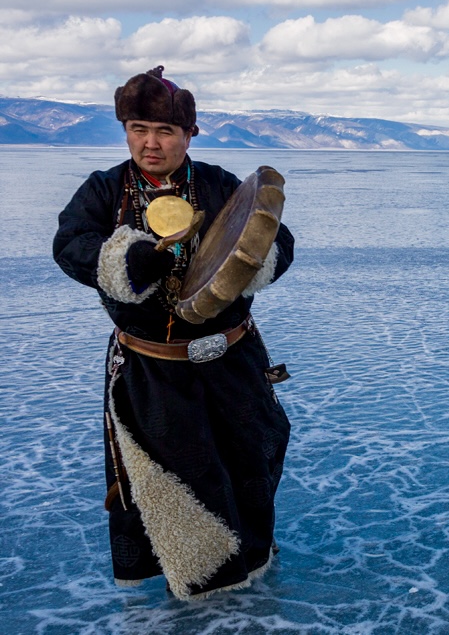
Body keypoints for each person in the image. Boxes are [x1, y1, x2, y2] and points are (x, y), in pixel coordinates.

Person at [53, 66, 294, 600]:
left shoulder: (220, 185)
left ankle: (253, 577)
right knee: (179, 480)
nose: (150, 142)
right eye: (139, 128)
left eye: (165, 132)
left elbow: (279, 241)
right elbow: (70, 244)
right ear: (126, 130)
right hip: (152, 367)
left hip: (233, 358)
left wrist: (245, 265)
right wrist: (126, 262)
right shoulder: (103, 189)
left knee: (253, 458)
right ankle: (201, 588)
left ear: (189, 135)